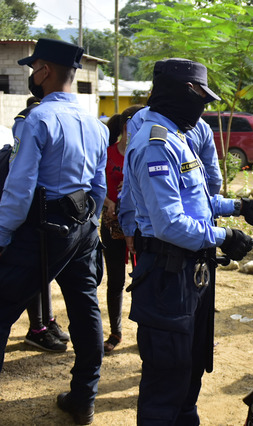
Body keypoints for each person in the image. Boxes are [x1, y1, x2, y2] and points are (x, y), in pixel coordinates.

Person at [120, 58, 253, 424]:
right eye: (200, 97)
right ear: (178, 94)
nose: (203, 107)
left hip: (191, 273)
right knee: (167, 379)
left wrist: (239, 207)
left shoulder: (178, 137)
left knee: (191, 369)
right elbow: (170, 224)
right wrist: (223, 235)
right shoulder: (156, 143)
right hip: (167, 276)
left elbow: (195, 202)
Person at [0, 38, 108, 425]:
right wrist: (88, 226)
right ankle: (84, 397)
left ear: (44, 70)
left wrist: (2, 235)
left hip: (42, 227)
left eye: (33, 68)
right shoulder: (95, 124)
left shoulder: (38, 120)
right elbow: (99, 188)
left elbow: (19, 187)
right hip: (82, 226)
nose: (31, 75)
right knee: (85, 310)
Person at [10, 95, 70, 353]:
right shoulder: (26, 122)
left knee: (44, 274)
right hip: (28, 213)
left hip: (44, 211)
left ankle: (47, 320)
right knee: (33, 275)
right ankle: (37, 328)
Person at [101, 105, 144, 354]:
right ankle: (115, 332)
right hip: (111, 225)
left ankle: (144, 332)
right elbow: (95, 185)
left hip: (139, 227)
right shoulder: (107, 154)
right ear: (125, 128)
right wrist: (109, 203)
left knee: (142, 281)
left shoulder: (143, 154)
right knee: (115, 281)